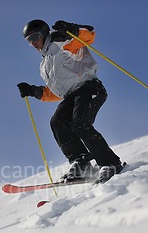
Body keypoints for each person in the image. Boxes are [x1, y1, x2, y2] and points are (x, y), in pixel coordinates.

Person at [17, 19, 124, 183]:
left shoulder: (61, 41)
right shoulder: (44, 64)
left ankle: (110, 163)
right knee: (57, 122)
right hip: (71, 95)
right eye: (28, 41)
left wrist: (72, 30)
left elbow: (89, 37)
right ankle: (81, 162)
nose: (33, 43)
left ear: (44, 34)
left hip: (89, 87)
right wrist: (33, 91)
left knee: (79, 123)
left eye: (35, 37)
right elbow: (55, 92)